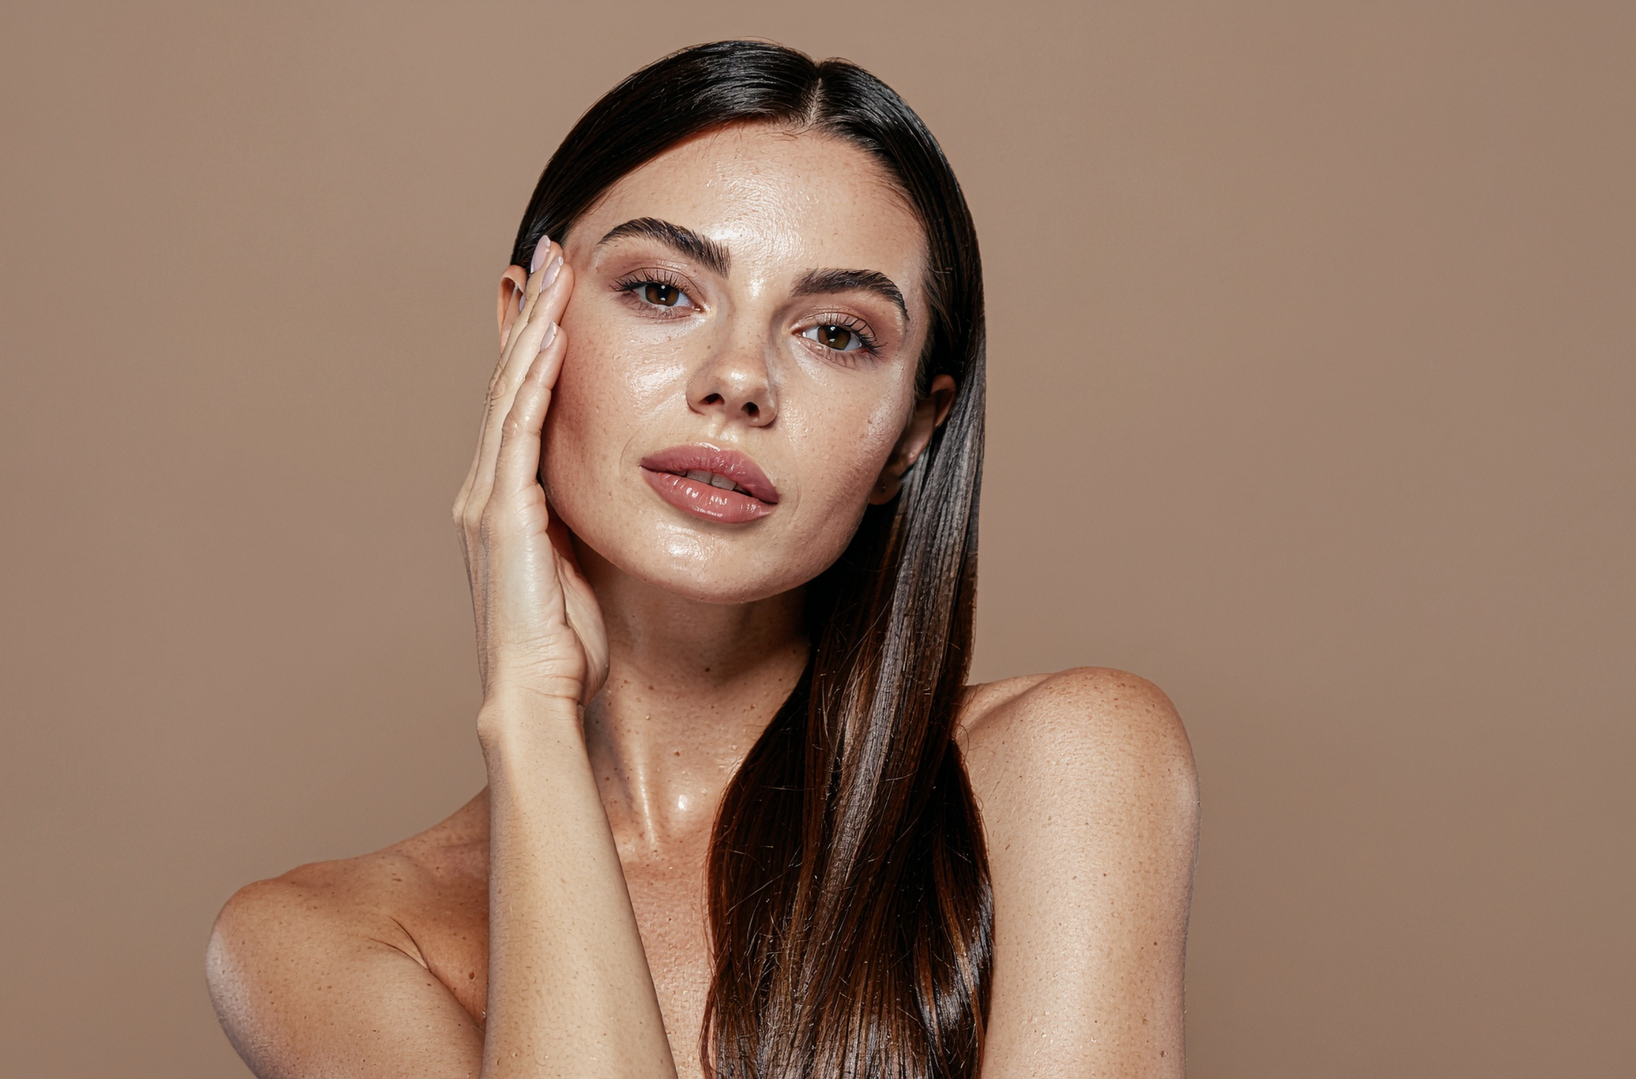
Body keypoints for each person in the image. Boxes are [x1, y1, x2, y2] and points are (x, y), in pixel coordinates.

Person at [205, 41, 1198, 1079]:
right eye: (663, 290)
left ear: (912, 432)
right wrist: (534, 713)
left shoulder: (1068, 765)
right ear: (522, 332)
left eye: (835, 333)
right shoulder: (323, 940)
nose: (738, 379)